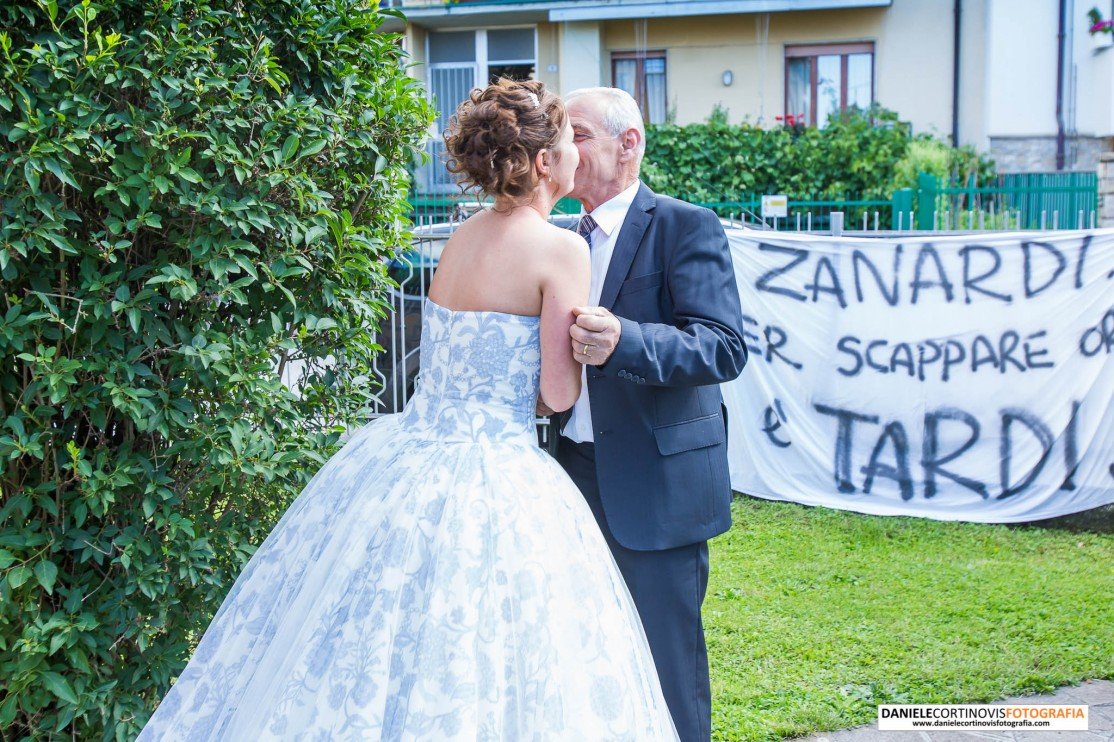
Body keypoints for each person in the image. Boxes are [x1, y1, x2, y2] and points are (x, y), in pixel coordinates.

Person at [138, 79, 678, 741]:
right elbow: (559, 396)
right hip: (500, 471)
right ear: (542, 162)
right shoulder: (560, 249)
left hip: (408, 455)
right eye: (568, 142)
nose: (575, 154)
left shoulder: (460, 239)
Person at [549, 86, 748, 742]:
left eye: (576, 133)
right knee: (586, 656)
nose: (562, 147)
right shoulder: (559, 241)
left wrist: (625, 342)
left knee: (668, 667)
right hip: (571, 478)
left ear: (626, 144)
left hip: (657, 488)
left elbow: (721, 346)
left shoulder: (685, 226)